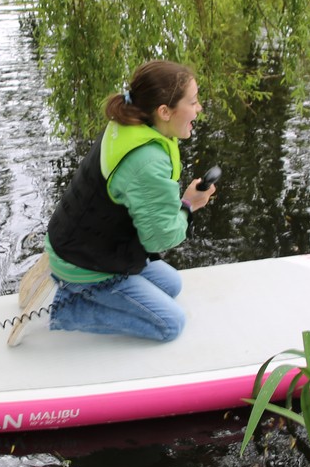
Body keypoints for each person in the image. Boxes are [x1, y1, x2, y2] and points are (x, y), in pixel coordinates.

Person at [12, 60, 216, 346]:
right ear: (164, 111)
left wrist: (180, 203)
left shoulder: (130, 120)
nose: (199, 108)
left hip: (76, 241)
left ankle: (68, 281)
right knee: (171, 324)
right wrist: (188, 205)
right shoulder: (147, 160)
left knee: (172, 284)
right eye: (193, 102)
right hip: (85, 263)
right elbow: (160, 238)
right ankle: (65, 309)